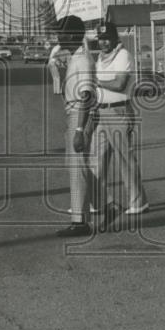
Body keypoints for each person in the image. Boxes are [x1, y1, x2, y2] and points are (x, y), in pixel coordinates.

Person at [90, 20, 149, 227]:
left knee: (124, 159)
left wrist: (95, 81)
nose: (103, 43)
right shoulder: (100, 57)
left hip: (119, 110)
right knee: (97, 160)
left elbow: (120, 83)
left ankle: (138, 201)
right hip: (101, 111)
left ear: (115, 38)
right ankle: (98, 201)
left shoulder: (123, 55)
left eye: (107, 38)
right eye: (100, 39)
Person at [50, 15, 97, 238]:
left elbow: (86, 96)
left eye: (62, 32)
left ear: (72, 35)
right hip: (74, 114)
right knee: (75, 167)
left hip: (79, 114)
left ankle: (80, 223)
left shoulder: (82, 60)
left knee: (78, 169)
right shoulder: (75, 58)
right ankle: (92, 211)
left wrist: (79, 130)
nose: (58, 36)